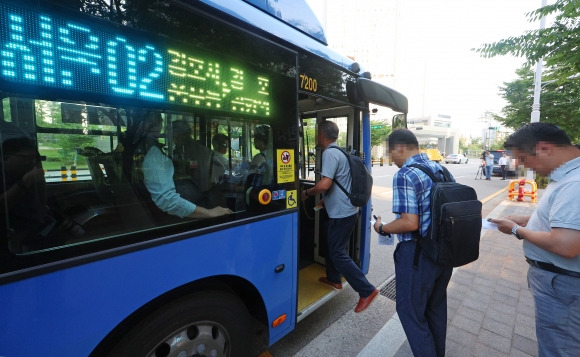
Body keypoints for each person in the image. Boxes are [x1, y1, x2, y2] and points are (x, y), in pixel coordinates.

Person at [490, 123, 580, 356]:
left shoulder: (575, 183)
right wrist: (527, 219)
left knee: (559, 349)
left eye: (521, 158)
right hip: (561, 283)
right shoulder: (566, 175)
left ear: (543, 148)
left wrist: (515, 230)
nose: (521, 165)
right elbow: (563, 219)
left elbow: (566, 244)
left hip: (564, 286)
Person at [372, 129, 453, 357]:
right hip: (444, 253)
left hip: (418, 256)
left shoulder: (406, 174)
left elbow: (409, 223)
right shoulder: (442, 170)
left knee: (409, 310)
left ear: (400, 148)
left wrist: (382, 227)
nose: (391, 160)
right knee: (435, 308)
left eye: (391, 154)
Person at [300, 121, 378, 313]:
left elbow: (325, 184)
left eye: (318, 134)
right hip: (345, 209)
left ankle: (367, 290)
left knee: (337, 252)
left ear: (321, 135)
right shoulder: (341, 152)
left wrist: (308, 193)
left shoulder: (329, 153)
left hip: (342, 212)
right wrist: (325, 201)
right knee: (333, 244)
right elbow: (339, 182)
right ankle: (334, 279)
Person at [137, 112, 232, 219]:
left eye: (175, 137)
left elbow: (217, 181)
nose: (174, 141)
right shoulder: (162, 152)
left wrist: (208, 212)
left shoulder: (206, 154)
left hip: (202, 206)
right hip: (190, 209)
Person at [0, 137, 83, 252]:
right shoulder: (10, 177)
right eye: (26, 158)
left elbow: (41, 200)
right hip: (19, 232)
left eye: (34, 158)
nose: (31, 162)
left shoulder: (26, 172)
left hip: (38, 223)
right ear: (6, 158)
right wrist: (26, 181)